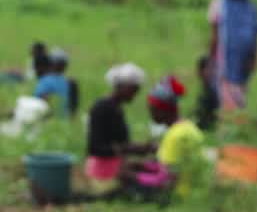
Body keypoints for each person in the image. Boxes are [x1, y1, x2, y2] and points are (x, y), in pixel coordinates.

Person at [84, 63, 154, 195]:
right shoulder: (101, 108)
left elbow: (119, 142)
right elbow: (95, 148)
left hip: (116, 167)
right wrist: (130, 148)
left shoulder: (117, 108)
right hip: (102, 172)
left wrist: (138, 148)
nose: (135, 94)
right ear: (121, 86)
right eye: (133, 89)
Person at [207, 0, 257, 114]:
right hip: (225, 57)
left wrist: (255, 56)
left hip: (244, 57)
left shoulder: (250, 7)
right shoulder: (219, 5)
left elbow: (255, 33)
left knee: (241, 88)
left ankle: (238, 115)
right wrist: (211, 59)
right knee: (226, 88)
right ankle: (229, 117)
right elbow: (214, 35)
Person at [148, 75, 205, 198]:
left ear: (162, 110)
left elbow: (166, 180)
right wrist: (146, 167)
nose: (150, 113)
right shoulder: (189, 127)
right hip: (195, 189)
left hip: (179, 193)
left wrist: (134, 177)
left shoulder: (174, 136)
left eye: (152, 109)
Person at [32, 48, 74, 116]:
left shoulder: (45, 81)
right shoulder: (68, 82)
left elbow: (39, 102)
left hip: (47, 117)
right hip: (64, 118)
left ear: (50, 63)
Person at [194, 55, 219, 131]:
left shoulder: (212, 91)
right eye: (209, 69)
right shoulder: (208, 89)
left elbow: (204, 117)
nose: (212, 72)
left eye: (213, 69)